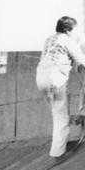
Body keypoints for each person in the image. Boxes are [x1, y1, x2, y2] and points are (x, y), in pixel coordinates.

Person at [35, 16, 85, 159]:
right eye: (75, 30)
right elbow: (82, 60)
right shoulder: (68, 41)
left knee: (56, 113)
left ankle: (59, 145)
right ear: (68, 30)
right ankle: (58, 153)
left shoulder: (49, 39)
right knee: (61, 117)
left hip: (41, 78)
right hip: (55, 79)